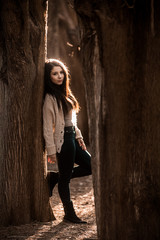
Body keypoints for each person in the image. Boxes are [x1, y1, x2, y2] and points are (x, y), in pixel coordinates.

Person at [43, 59, 92, 224]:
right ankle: (69, 213)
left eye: (61, 72)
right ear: (48, 77)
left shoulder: (66, 93)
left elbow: (71, 120)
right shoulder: (50, 98)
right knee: (66, 180)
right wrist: (51, 150)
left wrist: (79, 136)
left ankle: (55, 178)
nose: (59, 76)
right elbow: (48, 127)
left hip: (73, 137)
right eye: (55, 73)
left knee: (92, 165)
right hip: (63, 141)